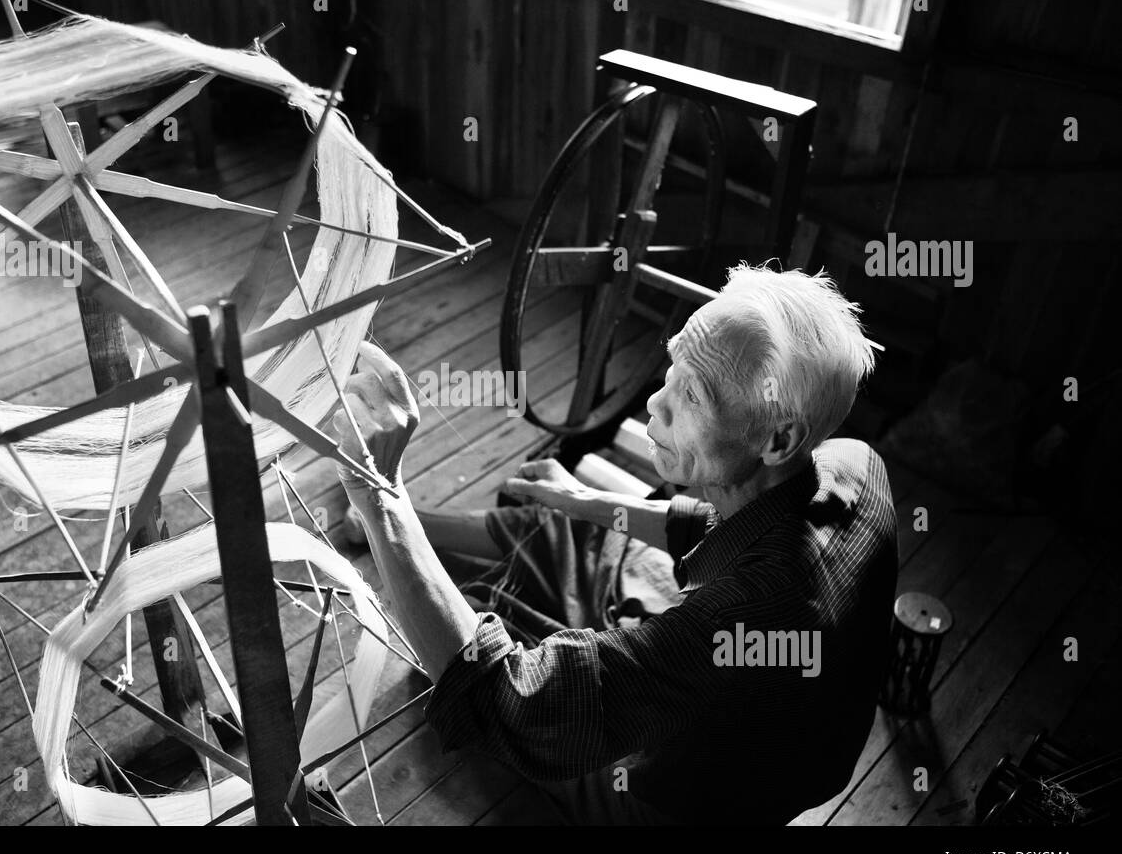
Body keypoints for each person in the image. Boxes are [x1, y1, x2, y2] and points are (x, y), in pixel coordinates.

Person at [331, 264, 897, 825]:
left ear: (778, 439)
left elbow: (517, 703)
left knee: (467, 661)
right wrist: (582, 500)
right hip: (784, 739)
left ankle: (401, 523)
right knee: (572, 527)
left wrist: (381, 496)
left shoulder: (739, 621)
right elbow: (720, 522)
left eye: (694, 396)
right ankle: (433, 525)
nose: (656, 402)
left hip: (681, 806)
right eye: (673, 367)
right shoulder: (853, 461)